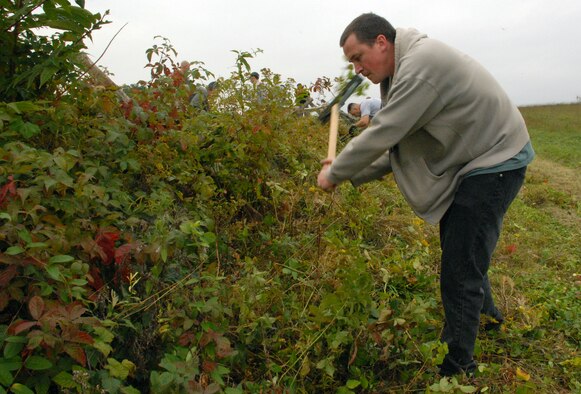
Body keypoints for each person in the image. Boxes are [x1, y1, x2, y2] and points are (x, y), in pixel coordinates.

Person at [316, 13, 534, 377]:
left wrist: (335, 172)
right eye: (350, 62)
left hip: (497, 158)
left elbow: (385, 132)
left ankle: (457, 367)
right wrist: (342, 173)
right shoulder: (400, 72)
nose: (356, 69)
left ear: (382, 42)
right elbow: (396, 147)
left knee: (459, 266)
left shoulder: (419, 67)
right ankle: (486, 315)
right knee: (461, 247)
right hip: (473, 160)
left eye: (358, 57)